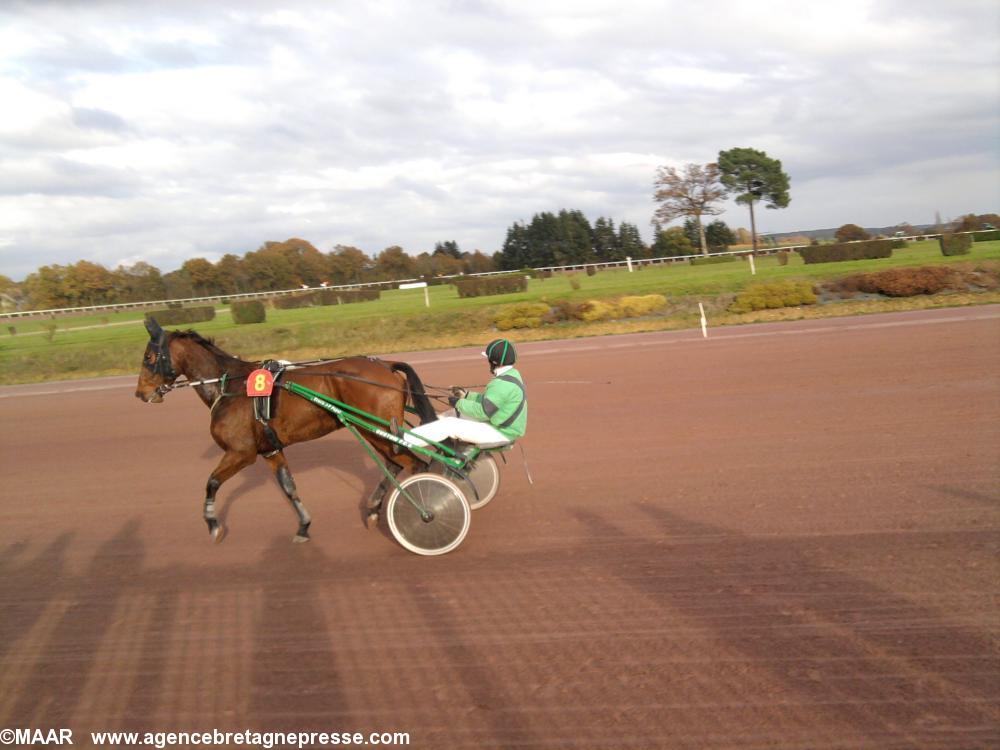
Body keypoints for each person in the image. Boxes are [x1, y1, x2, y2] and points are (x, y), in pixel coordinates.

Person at [404, 338, 527, 450]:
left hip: (501, 432)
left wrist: (458, 403)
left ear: (494, 362)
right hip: (498, 425)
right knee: (454, 414)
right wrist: (466, 395)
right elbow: (488, 401)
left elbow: (483, 412)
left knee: (449, 425)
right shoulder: (511, 375)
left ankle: (404, 440)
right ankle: (426, 429)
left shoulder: (502, 384)